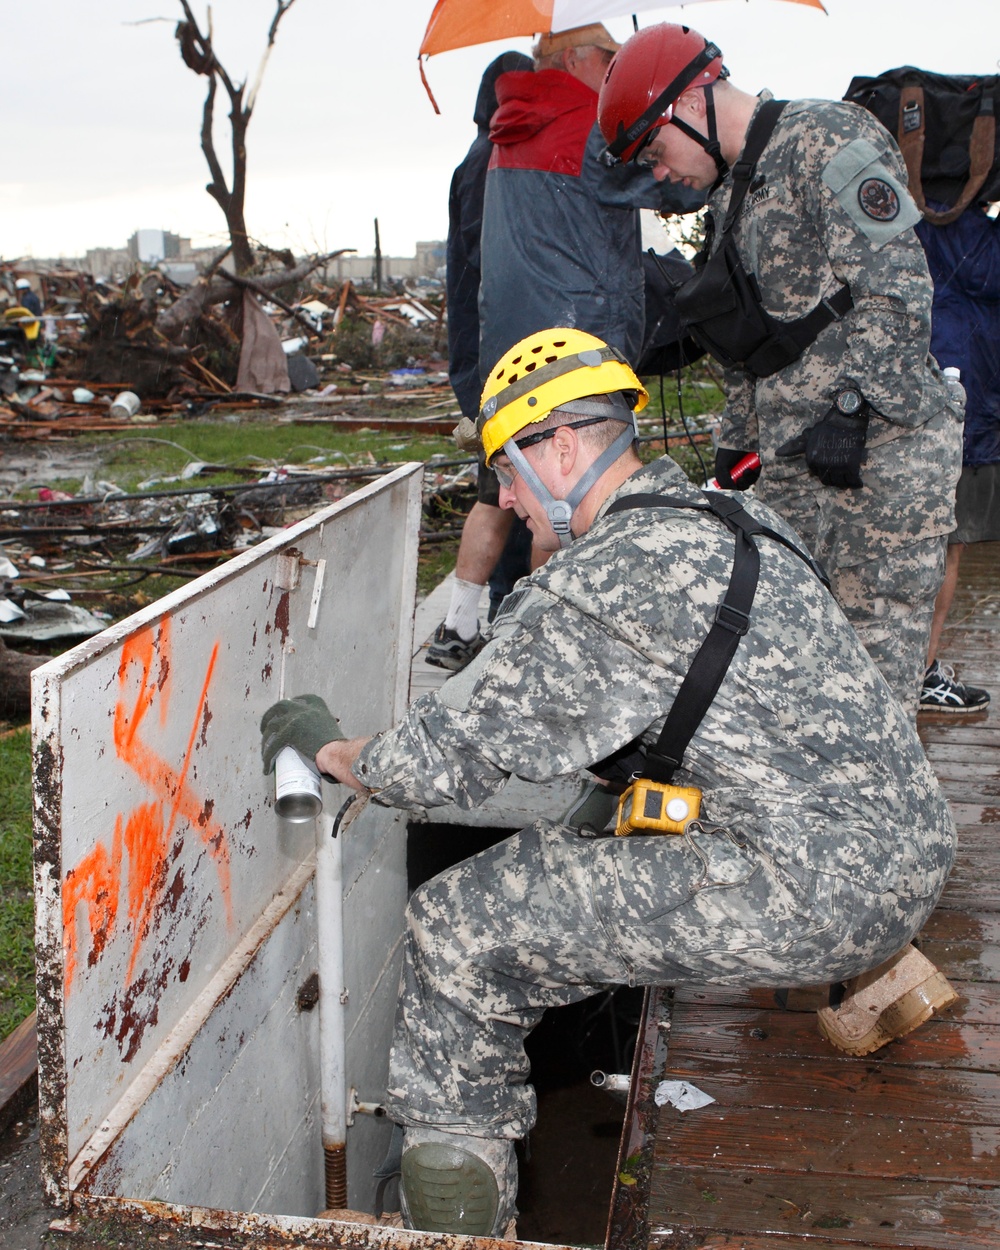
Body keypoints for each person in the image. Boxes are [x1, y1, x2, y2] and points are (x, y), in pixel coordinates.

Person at [261, 328, 957, 1239]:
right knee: (591, 833)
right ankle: (880, 972)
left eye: (506, 471)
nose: (505, 498)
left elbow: (430, 767)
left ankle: (455, 1228)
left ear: (559, 446)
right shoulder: (727, 513)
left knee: (462, 928)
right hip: (905, 847)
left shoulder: (608, 579)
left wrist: (326, 744)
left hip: (823, 892)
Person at [596, 23, 963, 717]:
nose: (660, 170)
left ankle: (885, 823)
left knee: (874, 682)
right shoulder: (737, 194)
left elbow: (899, 285)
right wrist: (735, 452)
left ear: (692, 101)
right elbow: (752, 349)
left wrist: (855, 407)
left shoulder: (825, 137)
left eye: (655, 146)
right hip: (797, 467)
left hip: (882, 461)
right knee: (798, 671)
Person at [428, 23, 702, 672]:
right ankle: (557, 660)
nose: (617, 69)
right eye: (611, 58)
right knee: (583, 507)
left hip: (508, 360)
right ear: (575, 59)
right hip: (580, 357)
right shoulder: (587, 123)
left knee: (514, 498)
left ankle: (492, 635)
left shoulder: (504, 134)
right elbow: (679, 183)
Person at [429, 51, 535, 672]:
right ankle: (502, 625)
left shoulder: (473, 161)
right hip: (497, 355)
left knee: (498, 488)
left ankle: (463, 624)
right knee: (515, 493)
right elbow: (493, 270)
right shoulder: (492, 164)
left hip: (479, 355)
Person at [915, 201, 998, 712]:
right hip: (966, 403)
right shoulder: (973, 238)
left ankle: (913, 668)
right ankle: (920, 671)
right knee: (948, 544)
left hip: (928, 396)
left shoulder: (897, 214)